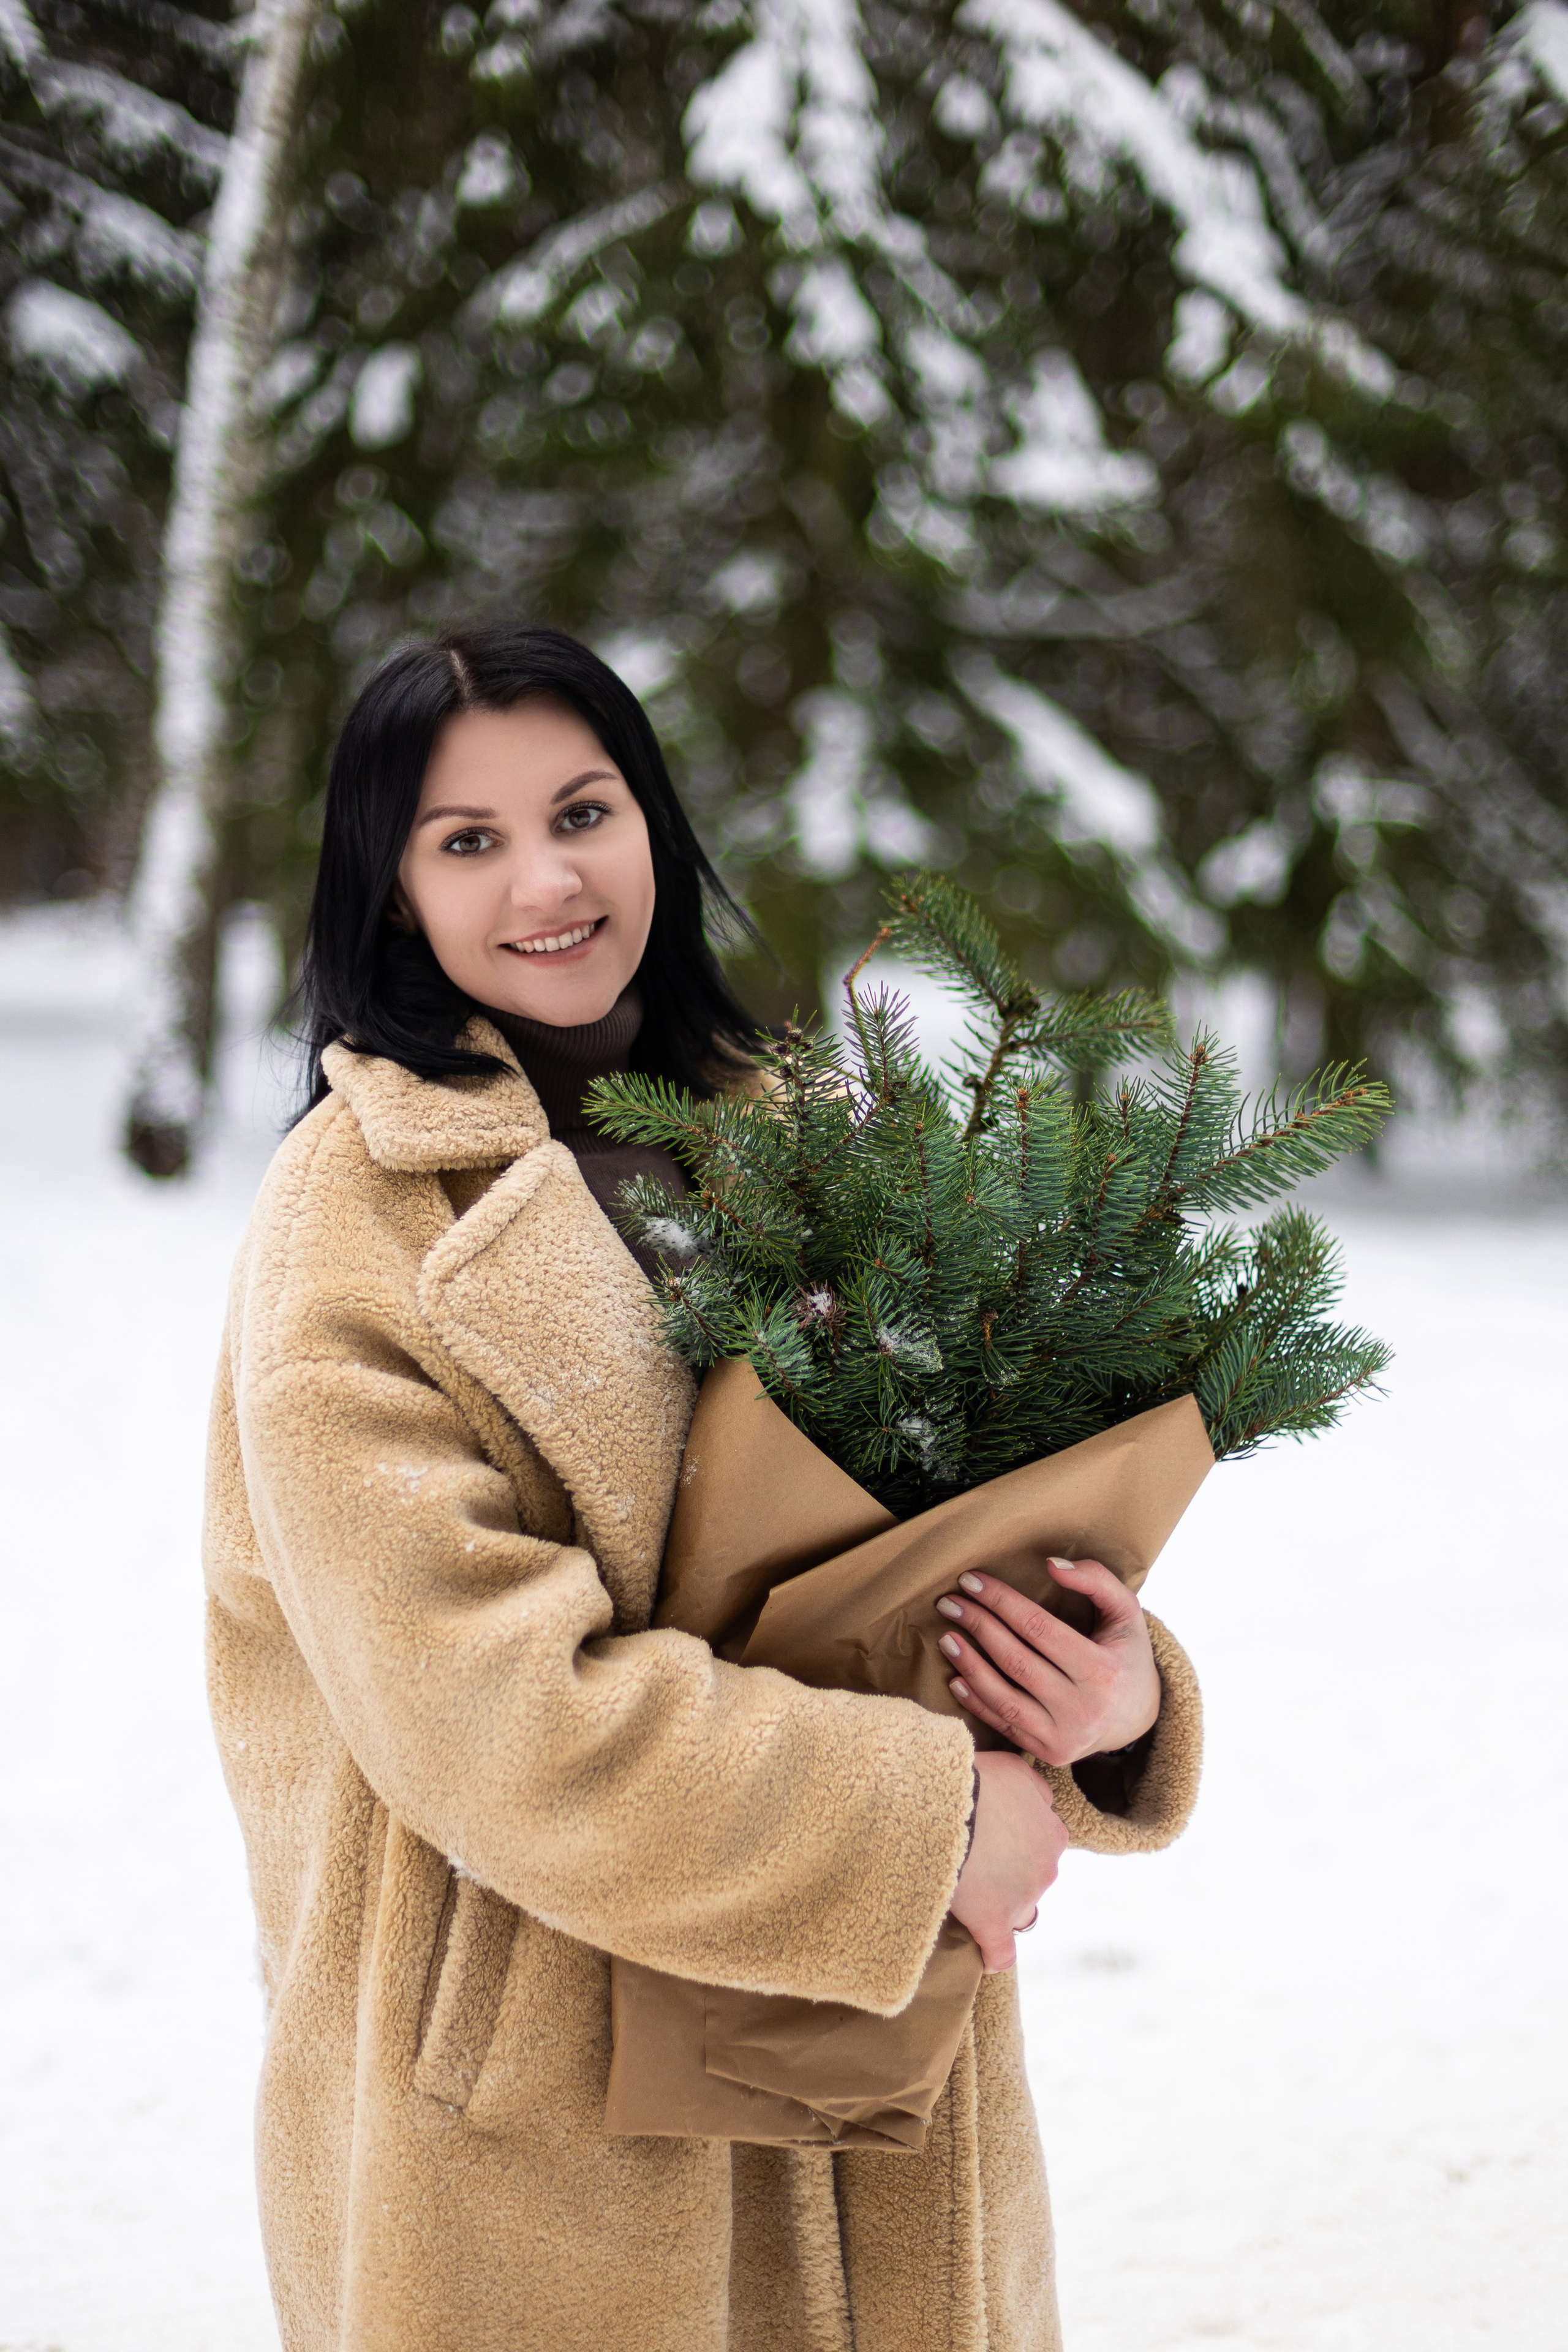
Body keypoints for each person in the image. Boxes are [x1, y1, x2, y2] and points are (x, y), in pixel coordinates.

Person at [205, 625, 1204, 2352]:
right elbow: (497, 1722)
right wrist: (927, 1825)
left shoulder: (817, 1135)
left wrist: (1110, 1696)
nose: (548, 879)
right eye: (468, 841)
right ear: (386, 896)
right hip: (544, 2124)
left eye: (584, 811)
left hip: (870, 2068)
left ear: (654, 826)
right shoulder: (352, 1236)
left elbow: (944, 1529)